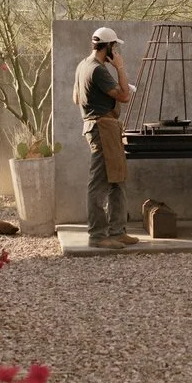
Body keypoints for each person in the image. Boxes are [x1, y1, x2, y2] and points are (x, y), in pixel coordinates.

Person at [73, 26, 139, 249]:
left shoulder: (84, 65)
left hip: (104, 127)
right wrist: (120, 68)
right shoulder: (98, 70)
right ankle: (98, 236)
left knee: (117, 180)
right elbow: (124, 96)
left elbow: (76, 97)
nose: (117, 51)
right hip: (101, 127)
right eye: (115, 46)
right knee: (99, 183)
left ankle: (117, 231)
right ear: (109, 47)